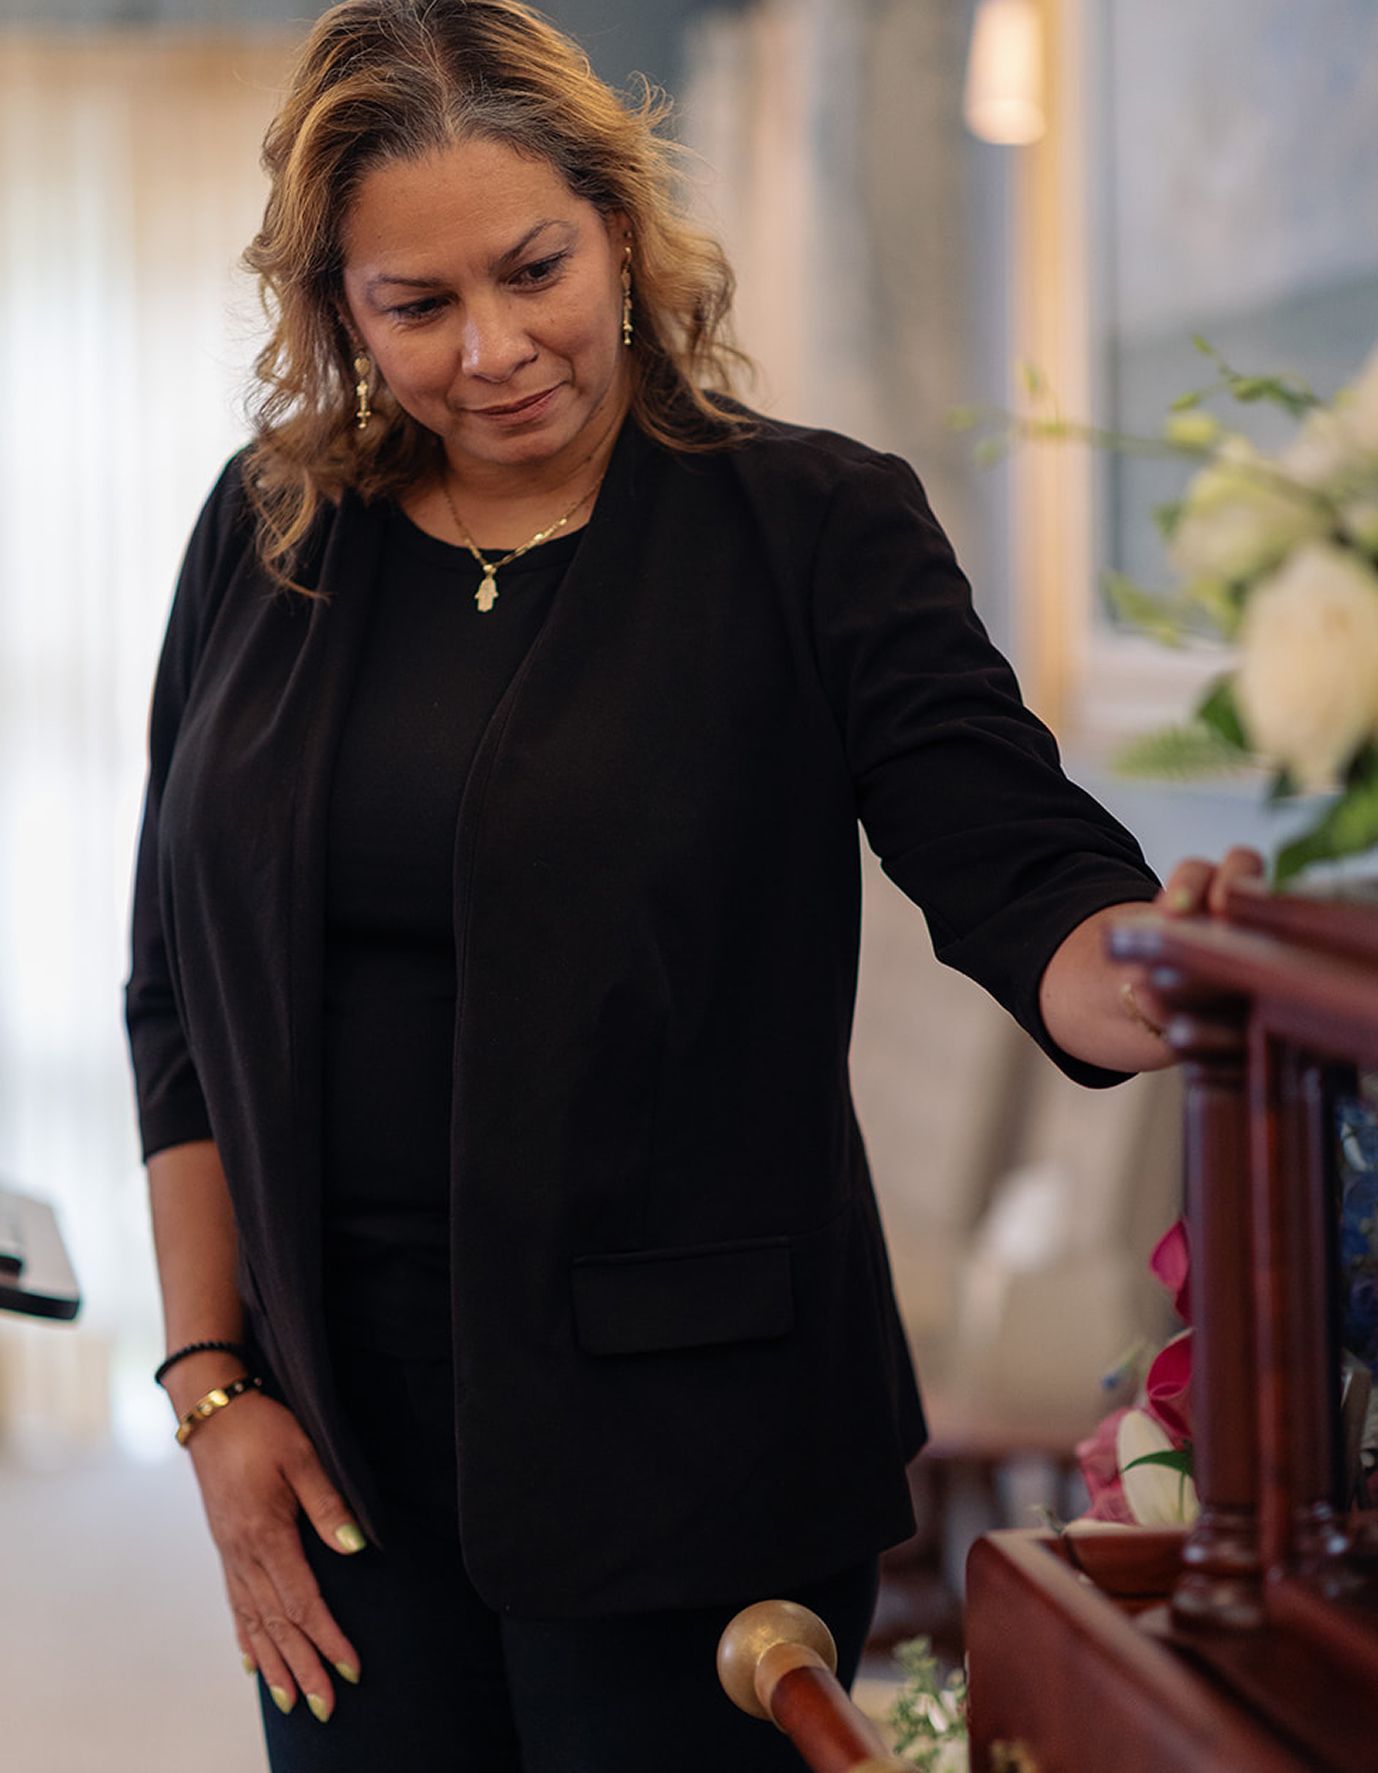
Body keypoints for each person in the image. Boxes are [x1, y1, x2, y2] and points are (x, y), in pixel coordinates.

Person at [124, 2, 1260, 1768]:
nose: (493, 349)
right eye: (416, 306)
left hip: (689, 1446)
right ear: (333, 307)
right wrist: (214, 1390)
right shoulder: (263, 537)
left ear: (625, 228)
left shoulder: (811, 528)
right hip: (333, 1436)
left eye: (534, 269)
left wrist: (1154, 962)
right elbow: (175, 1000)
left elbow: (1018, 868)